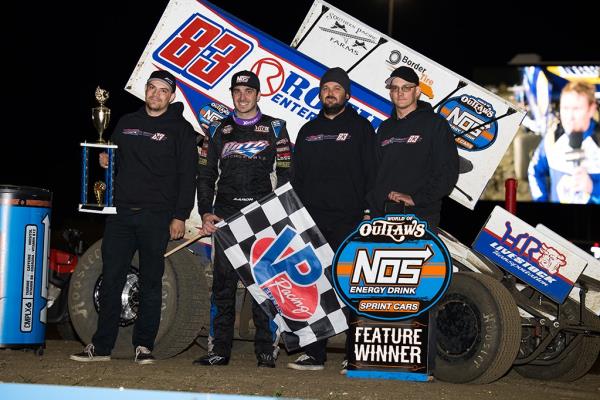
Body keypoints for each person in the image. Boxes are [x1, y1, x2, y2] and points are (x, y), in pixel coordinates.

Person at [70, 70, 198, 364]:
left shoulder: (181, 129)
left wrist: (179, 216)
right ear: (146, 91)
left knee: (151, 282)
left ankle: (143, 346)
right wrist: (106, 161)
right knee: (112, 279)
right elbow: (114, 163)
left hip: (157, 216)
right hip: (121, 214)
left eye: (163, 90)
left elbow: (187, 176)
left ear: (172, 96)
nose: (156, 94)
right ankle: (101, 347)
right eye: (151, 88)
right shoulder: (127, 123)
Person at [194, 70, 292, 368]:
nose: (243, 96)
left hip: (262, 216)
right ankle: (219, 350)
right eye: (237, 91)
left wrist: (281, 212)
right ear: (232, 94)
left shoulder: (276, 128)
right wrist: (205, 211)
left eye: (248, 91)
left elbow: (287, 175)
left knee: (264, 284)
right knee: (222, 287)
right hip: (225, 217)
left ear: (258, 94)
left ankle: (266, 350)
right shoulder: (217, 130)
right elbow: (206, 174)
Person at [286, 67, 375, 372]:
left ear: (346, 95)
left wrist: (367, 212)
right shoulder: (307, 130)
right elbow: (296, 177)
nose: (330, 92)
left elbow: (371, 174)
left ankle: (355, 354)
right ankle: (314, 353)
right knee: (312, 286)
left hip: (349, 220)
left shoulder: (362, 128)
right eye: (326, 88)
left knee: (351, 285)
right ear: (320, 93)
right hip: (311, 220)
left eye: (337, 88)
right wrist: (293, 216)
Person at [368, 66, 459, 228]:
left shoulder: (435, 124)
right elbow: (374, 173)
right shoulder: (384, 128)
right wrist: (369, 210)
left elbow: (447, 172)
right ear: (390, 94)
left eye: (406, 88)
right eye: (395, 88)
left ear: (417, 92)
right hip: (381, 217)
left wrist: (416, 199)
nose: (400, 92)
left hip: (418, 217)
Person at [528, 81, 600, 204]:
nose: (569, 116)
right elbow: (534, 172)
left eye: (576, 109)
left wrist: (593, 188)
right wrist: (541, 204)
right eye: (565, 108)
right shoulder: (552, 137)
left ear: (591, 109)